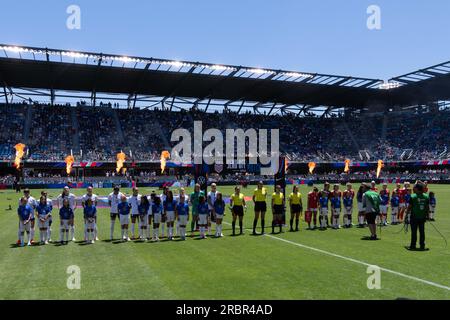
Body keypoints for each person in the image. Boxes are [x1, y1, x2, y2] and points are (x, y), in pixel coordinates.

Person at [406, 182, 430, 251]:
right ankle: (422, 246)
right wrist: (427, 216)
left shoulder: (413, 196)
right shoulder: (426, 196)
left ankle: (413, 246)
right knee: (422, 232)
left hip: (414, 217)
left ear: (417, 189)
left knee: (414, 232)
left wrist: (406, 215)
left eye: (415, 188)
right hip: (422, 217)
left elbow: (409, 207)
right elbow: (427, 207)